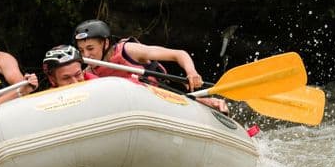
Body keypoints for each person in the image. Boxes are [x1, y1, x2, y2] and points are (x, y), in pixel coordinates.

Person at [73, 19, 228, 113]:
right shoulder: (88, 71)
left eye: (90, 48)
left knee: (202, 103)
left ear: (105, 43)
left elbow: (179, 54)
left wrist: (191, 72)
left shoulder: (128, 50)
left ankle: (213, 104)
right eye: (81, 50)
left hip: (162, 95)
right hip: (132, 108)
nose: (86, 55)